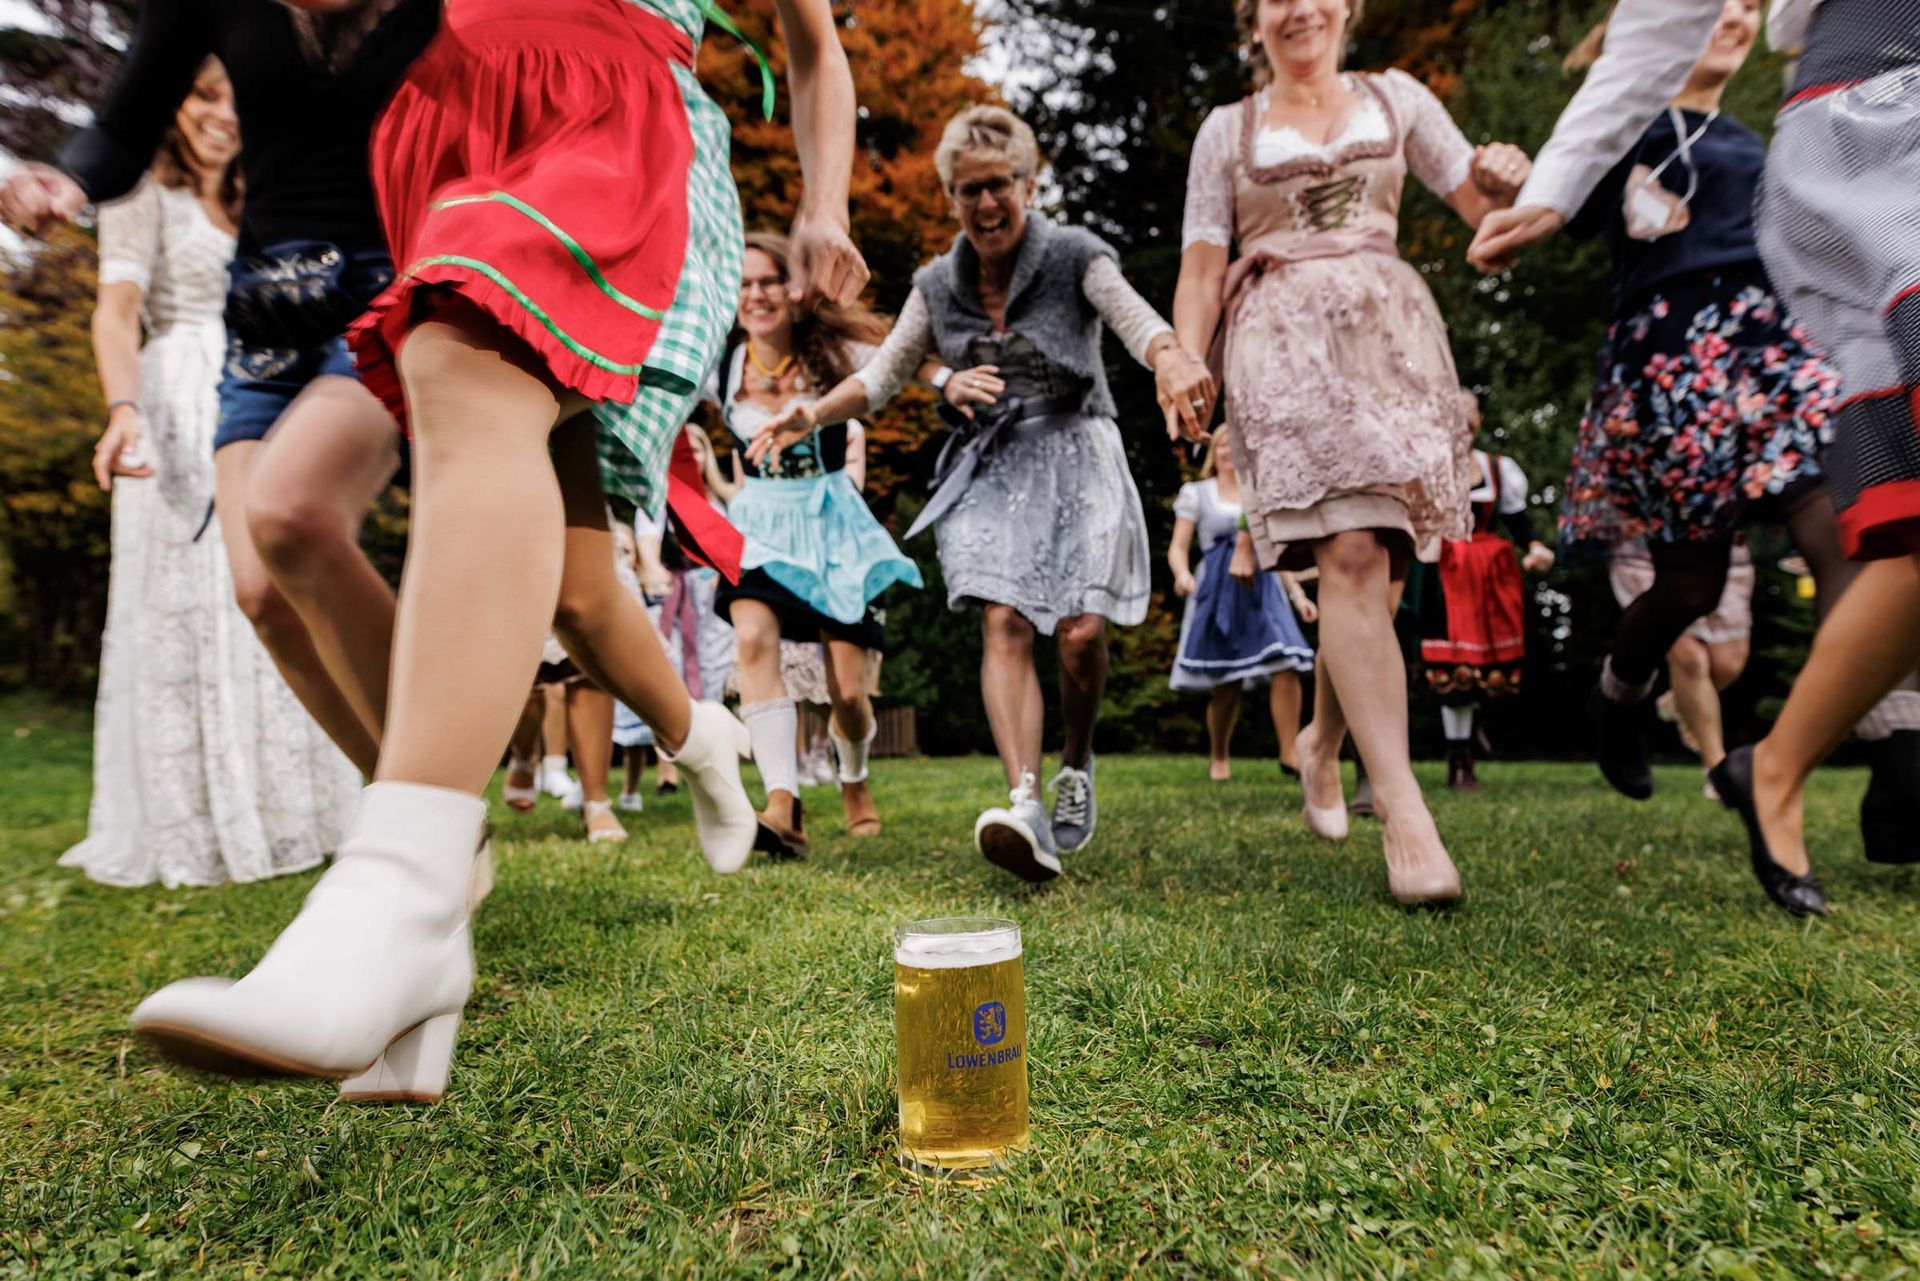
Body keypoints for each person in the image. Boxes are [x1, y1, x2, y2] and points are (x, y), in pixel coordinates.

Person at [110, 0, 868, 1099]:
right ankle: (697, 736)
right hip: (447, 140)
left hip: (606, 118)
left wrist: (825, 203)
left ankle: (406, 890)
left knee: (466, 371)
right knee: (549, 583)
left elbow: (814, 45)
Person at [1469, 0, 1920, 913]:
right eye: (1723, 4)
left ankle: (1899, 754)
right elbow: (1552, 203)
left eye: (1752, 7)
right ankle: (1619, 692)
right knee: (1690, 585)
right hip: (1673, 364)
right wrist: (1511, 181)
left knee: (1843, 531)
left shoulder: (1764, 142)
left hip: (1770, 356)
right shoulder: (1630, 130)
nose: (1736, 16)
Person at [750, 105, 1214, 882]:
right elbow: (884, 374)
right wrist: (813, 412)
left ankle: (1075, 763)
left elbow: (1135, 319)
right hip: (993, 464)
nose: (987, 203)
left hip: (1078, 450)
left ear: (1029, 185)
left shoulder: (1074, 255)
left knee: (1079, 633)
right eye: (970, 190)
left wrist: (1169, 356)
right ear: (951, 198)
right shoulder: (938, 283)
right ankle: (1024, 802)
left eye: (1000, 185)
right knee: (1003, 618)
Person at [1172, 0, 1531, 906]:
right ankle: (1406, 813)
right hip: (1280, 343)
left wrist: (1508, 182)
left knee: (1382, 564)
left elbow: (1487, 222)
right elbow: (1202, 270)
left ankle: (1322, 740)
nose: (1300, 8)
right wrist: (1183, 360)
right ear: (1253, 17)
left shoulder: (1398, 98)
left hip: (1392, 341)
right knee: (1353, 554)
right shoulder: (1226, 131)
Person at [59, 61, 362, 888]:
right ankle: (196, 818)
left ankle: (296, 808)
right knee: (196, 598)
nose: (222, 113)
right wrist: (124, 409)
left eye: (235, 95)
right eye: (203, 94)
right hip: (178, 407)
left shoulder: (263, 196)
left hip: (271, 395)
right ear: (171, 101)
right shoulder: (138, 190)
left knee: (278, 584)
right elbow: (116, 314)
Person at [714, 232, 922, 852]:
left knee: (848, 692)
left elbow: (906, 357)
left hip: (833, 526)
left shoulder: (836, 352)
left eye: (769, 281)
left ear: (796, 289)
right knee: (753, 640)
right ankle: (784, 804)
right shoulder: (720, 364)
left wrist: (950, 379)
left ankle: (854, 780)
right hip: (759, 523)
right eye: (744, 283)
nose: (756, 295)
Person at [1167, 428, 1317, 781]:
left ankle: (1289, 752)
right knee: (1227, 679)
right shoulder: (1197, 493)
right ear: (1214, 452)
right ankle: (1219, 755)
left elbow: (1273, 552)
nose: (1229, 454)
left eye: (1235, 448)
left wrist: (1298, 595)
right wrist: (1182, 575)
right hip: (1219, 588)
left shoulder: (1259, 493)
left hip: (1263, 587)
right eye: (1223, 447)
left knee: (1286, 662)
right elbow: (1178, 546)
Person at [1419, 437, 1556, 792]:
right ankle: (1459, 758)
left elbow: (1517, 520)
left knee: (1488, 664)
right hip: (1444, 570)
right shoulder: (1426, 466)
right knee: (1452, 666)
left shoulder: (1497, 468)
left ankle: (1471, 727)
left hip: (1490, 574)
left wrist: (1535, 546)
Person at [1608, 536, 1755, 792]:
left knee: (1728, 664)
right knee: (1689, 659)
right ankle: (1717, 770)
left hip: (1718, 542)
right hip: (1645, 545)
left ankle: (1677, 702)